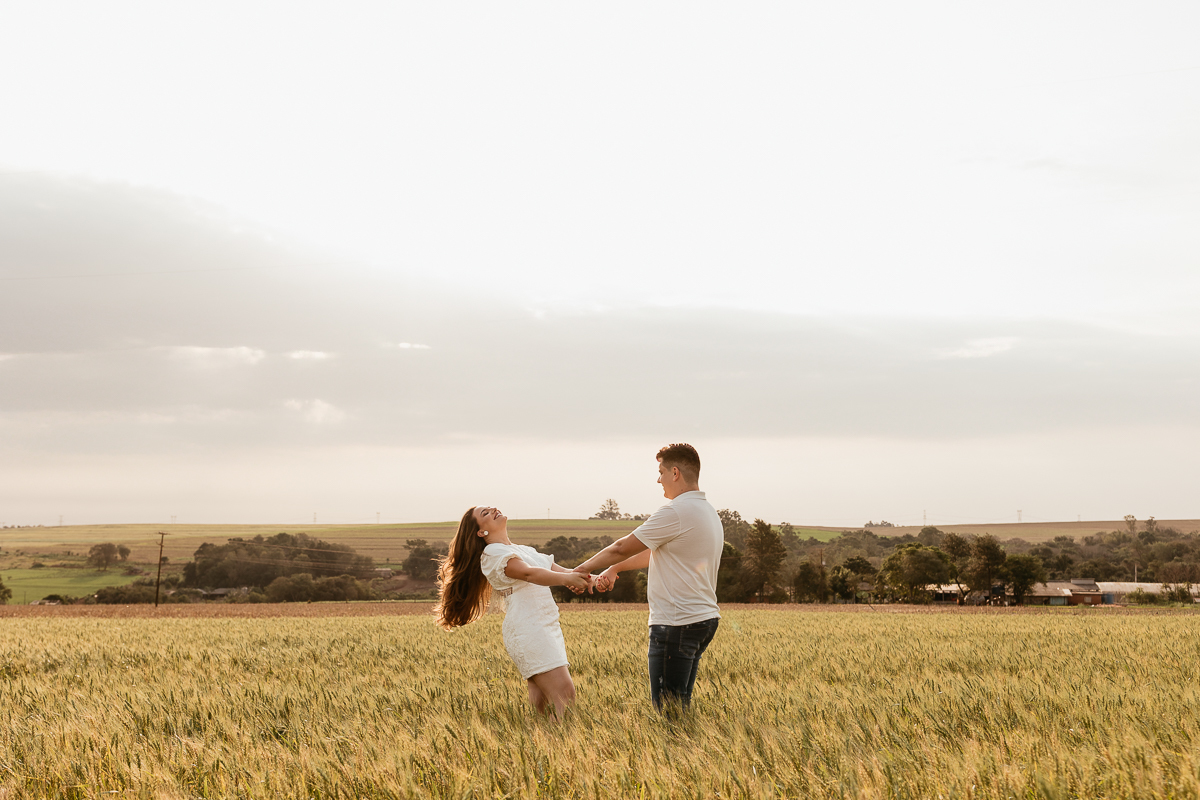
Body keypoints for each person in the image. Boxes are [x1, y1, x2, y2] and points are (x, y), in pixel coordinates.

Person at [574, 443, 723, 712]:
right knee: (679, 709)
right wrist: (615, 569)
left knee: (668, 715)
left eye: (661, 472)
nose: (658, 479)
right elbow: (655, 551)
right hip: (702, 619)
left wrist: (578, 571)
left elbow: (622, 547)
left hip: (675, 623)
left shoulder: (676, 511)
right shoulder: (707, 511)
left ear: (675, 473)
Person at [434, 505, 591, 718]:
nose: (493, 509)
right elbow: (528, 573)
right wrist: (567, 579)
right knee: (564, 694)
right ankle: (563, 738)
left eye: (490, 507)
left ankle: (542, 738)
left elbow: (564, 572)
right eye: (485, 513)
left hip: (546, 627)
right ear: (480, 532)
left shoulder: (524, 550)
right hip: (529, 630)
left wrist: (594, 579)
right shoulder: (493, 553)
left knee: (543, 705)